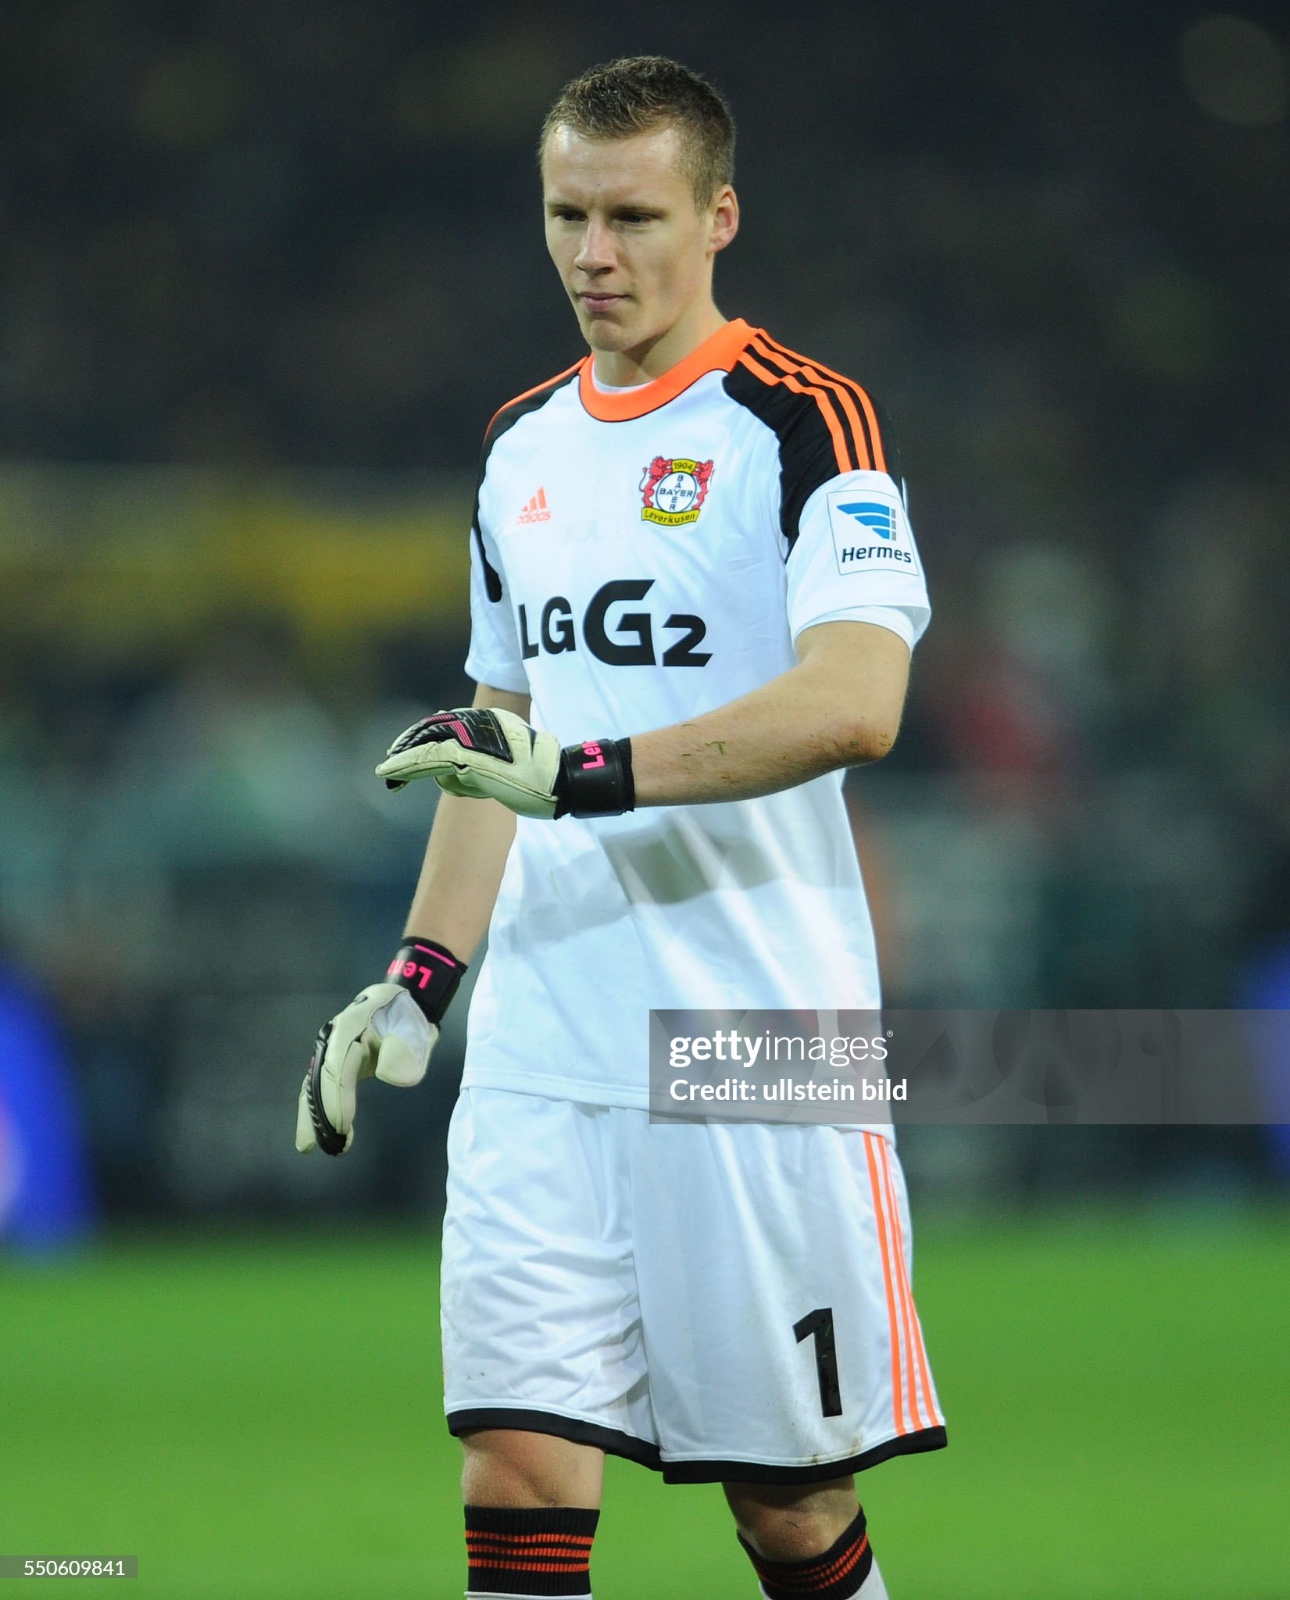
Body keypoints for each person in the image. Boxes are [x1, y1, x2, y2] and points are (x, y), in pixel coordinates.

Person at [297, 56, 943, 1600]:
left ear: (717, 217)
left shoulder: (803, 424)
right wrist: (423, 974)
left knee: (787, 1506)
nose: (595, 254)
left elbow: (857, 701)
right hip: (546, 1041)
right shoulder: (519, 447)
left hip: (757, 1036)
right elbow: (488, 742)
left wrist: (583, 774)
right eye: (566, 215)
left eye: (634, 216)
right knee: (515, 1462)